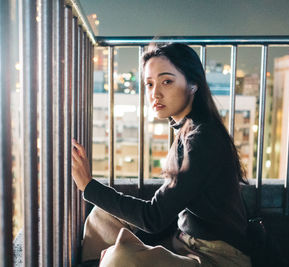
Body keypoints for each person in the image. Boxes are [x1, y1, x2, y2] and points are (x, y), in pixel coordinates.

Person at [71, 43, 252, 267]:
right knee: (102, 217)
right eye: (149, 84)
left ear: (193, 84)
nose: (155, 93)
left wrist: (88, 186)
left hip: (215, 259)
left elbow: (154, 217)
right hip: (182, 243)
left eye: (166, 81)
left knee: (121, 258)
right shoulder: (187, 129)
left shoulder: (202, 139)